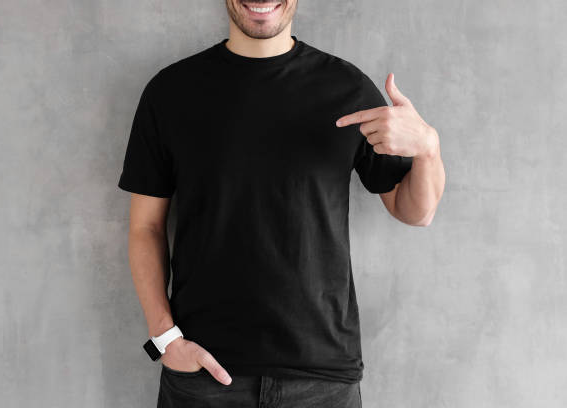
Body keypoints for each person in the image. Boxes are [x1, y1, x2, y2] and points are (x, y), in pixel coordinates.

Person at [117, 1, 445, 406]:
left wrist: (428, 149)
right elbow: (145, 228)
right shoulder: (170, 92)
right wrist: (165, 340)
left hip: (322, 380)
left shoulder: (347, 88)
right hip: (204, 378)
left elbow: (415, 211)